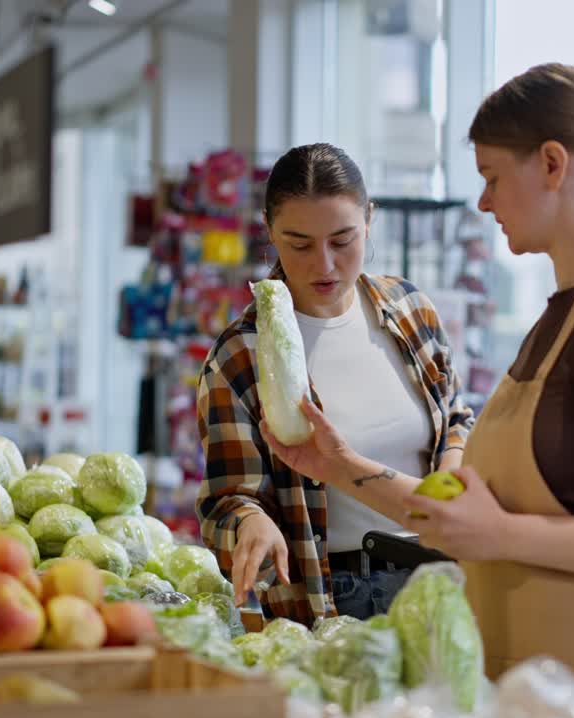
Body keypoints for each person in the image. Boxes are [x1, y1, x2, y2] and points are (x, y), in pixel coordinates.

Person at [258, 65, 574, 718]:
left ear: (553, 164)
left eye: (491, 178)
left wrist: (506, 535)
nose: (483, 202)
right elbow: (460, 518)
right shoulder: (561, 317)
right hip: (554, 682)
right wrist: (341, 466)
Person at [196, 143, 474, 624]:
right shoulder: (240, 357)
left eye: (343, 240)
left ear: (369, 219)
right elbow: (229, 498)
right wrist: (252, 524)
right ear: (269, 232)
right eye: (299, 244)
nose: (323, 265)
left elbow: (456, 418)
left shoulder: (410, 309)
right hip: (335, 598)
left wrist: (445, 499)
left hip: (443, 576)